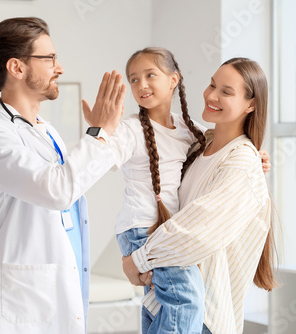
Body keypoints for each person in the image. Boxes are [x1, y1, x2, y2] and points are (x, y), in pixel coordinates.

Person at [0, 17, 126, 334]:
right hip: (17, 307)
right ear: (17, 68)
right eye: (49, 58)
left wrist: (100, 133)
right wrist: (98, 134)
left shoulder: (45, 130)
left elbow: (73, 177)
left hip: (51, 293)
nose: (59, 68)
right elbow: (57, 190)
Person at [122, 57, 278, 334]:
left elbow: (196, 231)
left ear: (251, 104)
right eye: (212, 85)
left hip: (202, 311)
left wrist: (138, 260)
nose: (211, 95)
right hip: (164, 296)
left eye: (226, 92)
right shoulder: (198, 144)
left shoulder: (242, 160)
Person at [110, 47, 207, 334]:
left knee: (161, 306)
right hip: (142, 229)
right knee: (186, 302)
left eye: (150, 75)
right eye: (134, 79)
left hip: (163, 229)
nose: (141, 85)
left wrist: (258, 157)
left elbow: (221, 150)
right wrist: (100, 128)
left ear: (173, 79)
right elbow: (104, 155)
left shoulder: (187, 128)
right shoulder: (130, 129)